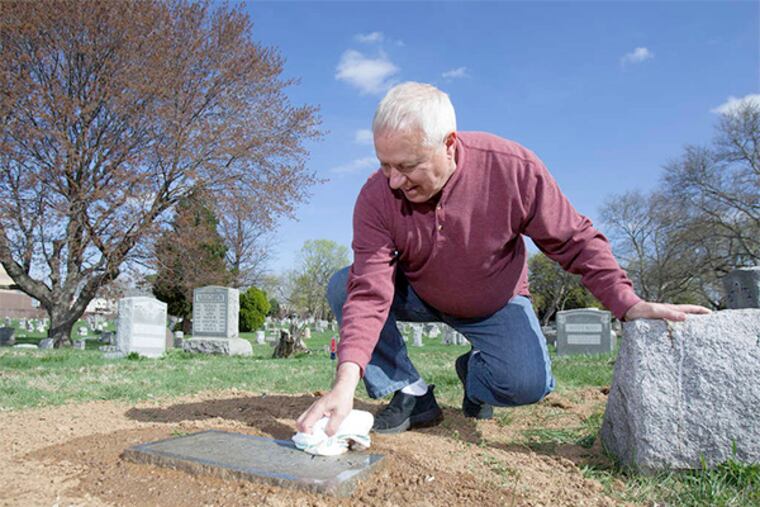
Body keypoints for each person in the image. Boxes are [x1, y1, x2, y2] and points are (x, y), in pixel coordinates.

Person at [296, 82, 710, 436]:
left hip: (494, 300)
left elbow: (574, 239)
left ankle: (475, 373)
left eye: (407, 166)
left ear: (449, 145)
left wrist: (626, 302)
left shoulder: (512, 169)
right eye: (384, 164)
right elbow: (370, 291)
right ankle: (411, 391)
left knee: (527, 385)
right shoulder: (377, 196)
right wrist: (345, 382)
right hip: (418, 292)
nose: (394, 181)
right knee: (344, 284)